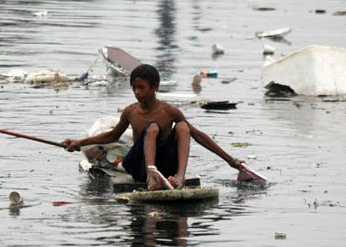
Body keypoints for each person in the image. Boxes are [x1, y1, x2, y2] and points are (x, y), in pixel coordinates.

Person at [62, 64, 246, 190]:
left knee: (183, 126)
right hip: (139, 167)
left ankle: (179, 177)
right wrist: (79, 142)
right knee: (153, 128)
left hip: (164, 166)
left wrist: (232, 162)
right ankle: (152, 176)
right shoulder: (130, 112)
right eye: (134, 88)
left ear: (155, 87)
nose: (137, 92)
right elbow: (111, 136)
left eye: (141, 88)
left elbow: (198, 136)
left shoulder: (169, 111)